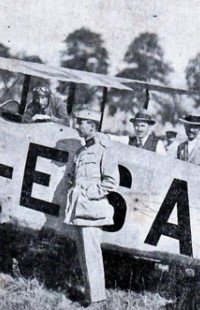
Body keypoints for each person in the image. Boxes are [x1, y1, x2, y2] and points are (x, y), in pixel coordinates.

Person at [64, 109, 119, 307]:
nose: (78, 125)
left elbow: (111, 182)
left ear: (92, 126)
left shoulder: (104, 149)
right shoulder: (82, 151)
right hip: (81, 210)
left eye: (81, 122)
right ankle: (91, 296)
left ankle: (97, 300)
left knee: (91, 255)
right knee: (84, 255)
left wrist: (89, 194)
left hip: (92, 209)